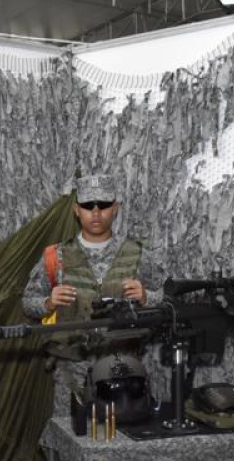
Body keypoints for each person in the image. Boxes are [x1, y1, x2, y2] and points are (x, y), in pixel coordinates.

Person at [21, 174, 155, 412]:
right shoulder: (55, 257)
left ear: (115, 208)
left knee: (121, 436)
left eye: (103, 205)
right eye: (87, 206)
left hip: (123, 369)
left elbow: (167, 298)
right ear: (76, 210)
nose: (95, 213)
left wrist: (147, 297)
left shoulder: (137, 254)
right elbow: (28, 303)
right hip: (71, 370)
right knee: (70, 435)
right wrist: (48, 302)